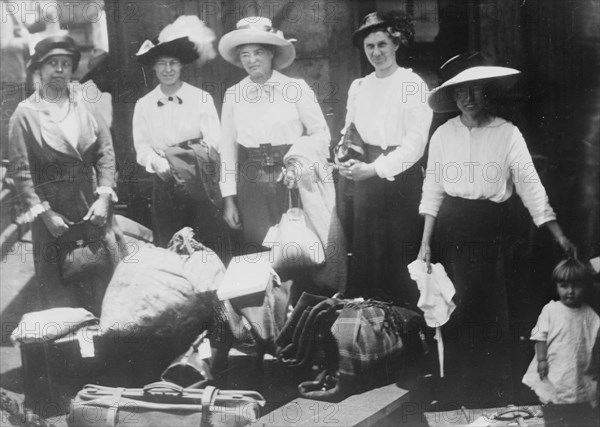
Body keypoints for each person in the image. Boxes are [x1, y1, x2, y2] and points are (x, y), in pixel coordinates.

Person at [418, 52, 576, 404]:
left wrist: (558, 233)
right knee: (457, 309)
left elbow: (530, 187)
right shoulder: (443, 135)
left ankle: (497, 390)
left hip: (496, 231)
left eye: (476, 90)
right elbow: (432, 190)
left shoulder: (507, 133)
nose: (469, 98)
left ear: (488, 93)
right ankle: (460, 390)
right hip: (453, 231)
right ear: (453, 96)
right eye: (461, 91)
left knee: (495, 309)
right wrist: (425, 243)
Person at [218, 16, 346, 295]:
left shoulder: (296, 87)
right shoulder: (234, 94)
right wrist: (229, 197)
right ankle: (268, 321)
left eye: (259, 53)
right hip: (252, 182)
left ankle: (303, 318)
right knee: (259, 251)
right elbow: (226, 148)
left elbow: (320, 134)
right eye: (245, 55)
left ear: (272, 53)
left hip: (292, 179)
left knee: (297, 246)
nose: (252, 60)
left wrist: (297, 160)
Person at [8, 34, 118, 312]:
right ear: (39, 69)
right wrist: (45, 214)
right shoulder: (25, 114)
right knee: (60, 299)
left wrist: (103, 198)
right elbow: (22, 173)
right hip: (53, 216)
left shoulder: (87, 104)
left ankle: (105, 353)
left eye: (66, 64)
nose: (60, 69)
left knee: (103, 287)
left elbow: (106, 152)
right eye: (53, 63)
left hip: (91, 208)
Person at [337, 11, 432, 304]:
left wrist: (374, 169)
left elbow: (415, 145)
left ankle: (408, 327)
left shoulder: (412, 84)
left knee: (400, 253)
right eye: (370, 47)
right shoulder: (360, 87)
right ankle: (371, 329)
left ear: (396, 44)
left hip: (401, 179)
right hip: (366, 179)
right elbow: (349, 131)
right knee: (369, 252)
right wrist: (344, 157)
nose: (376, 52)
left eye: (382, 44)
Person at [133, 16, 228, 252]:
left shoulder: (201, 98)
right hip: (165, 181)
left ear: (181, 66)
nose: (168, 69)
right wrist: (156, 162)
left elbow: (215, 141)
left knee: (205, 242)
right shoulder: (144, 105)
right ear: (154, 66)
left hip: (199, 180)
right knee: (172, 243)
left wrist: (188, 159)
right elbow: (142, 148)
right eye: (162, 63)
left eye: (173, 63)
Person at [522, 258, 599, 426]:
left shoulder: (590, 314)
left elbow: (595, 341)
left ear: (585, 286)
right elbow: (540, 337)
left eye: (576, 286)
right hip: (553, 368)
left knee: (577, 406)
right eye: (564, 286)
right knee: (552, 406)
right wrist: (542, 360)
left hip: (577, 371)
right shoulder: (551, 310)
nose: (570, 291)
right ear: (557, 286)